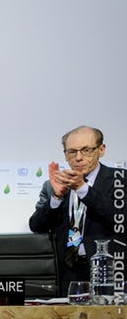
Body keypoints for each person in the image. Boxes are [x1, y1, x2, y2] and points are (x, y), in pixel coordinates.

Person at [29, 125, 126, 295]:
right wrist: (56, 197)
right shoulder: (54, 185)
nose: (79, 158)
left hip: (109, 272)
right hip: (67, 272)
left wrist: (82, 189)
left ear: (101, 150)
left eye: (86, 150)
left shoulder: (120, 180)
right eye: (72, 152)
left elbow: (119, 219)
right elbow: (37, 226)